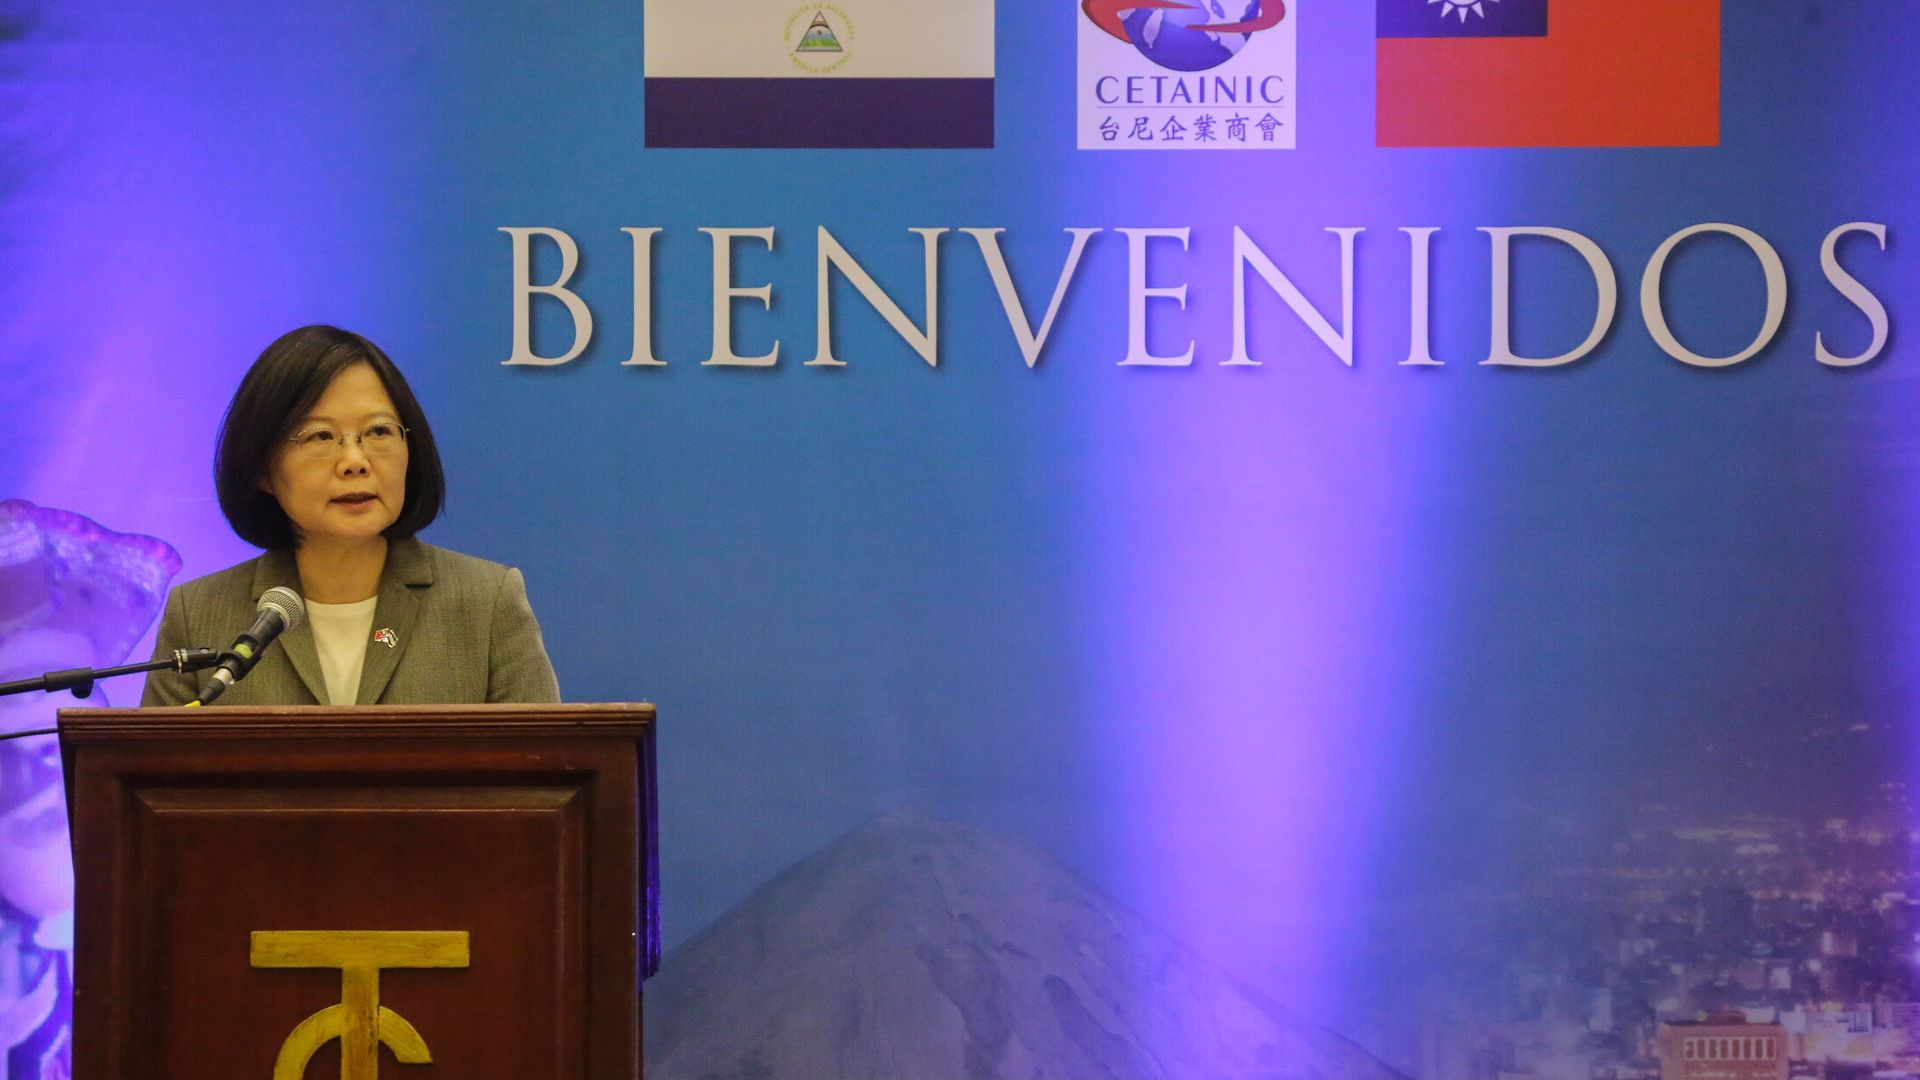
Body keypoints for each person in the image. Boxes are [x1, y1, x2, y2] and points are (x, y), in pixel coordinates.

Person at [141, 325, 560, 706]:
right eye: (321, 436)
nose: (355, 461)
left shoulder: (487, 603)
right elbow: (155, 767)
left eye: (378, 431)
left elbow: (547, 764)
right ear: (262, 469)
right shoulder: (198, 614)